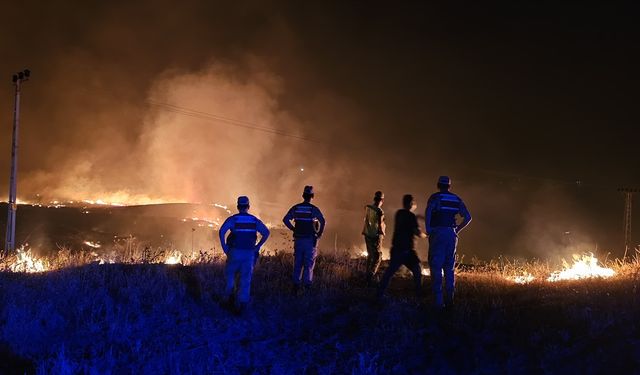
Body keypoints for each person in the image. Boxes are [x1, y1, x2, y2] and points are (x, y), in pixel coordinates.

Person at [425, 176, 472, 309]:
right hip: (451, 234)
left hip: (438, 233)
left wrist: (429, 228)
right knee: (449, 268)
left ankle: (439, 303)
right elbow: (468, 217)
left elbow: (429, 211)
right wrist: (457, 230)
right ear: (449, 186)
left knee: (436, 266)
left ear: (438, 185)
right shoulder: (456, 199)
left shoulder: (435, 197)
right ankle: (450, 300)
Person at [219, 196, 270, 313]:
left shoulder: (233, 219)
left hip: (234, 252)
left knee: (231, 275)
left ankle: (229, 299)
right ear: (248, 206)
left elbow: (222, 231)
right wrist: (257, 247)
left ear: (238, 207)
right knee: (246, 279)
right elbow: (266, 233)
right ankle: (242, 306)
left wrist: (225, 248)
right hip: (249, 253)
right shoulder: (254, 220)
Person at [378, 194, 426, 298]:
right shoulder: (411, 216)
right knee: (417, 271)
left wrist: (416, 217)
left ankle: (379, 294)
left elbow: (408, 221)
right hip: (407, 251)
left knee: (389, 273)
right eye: (413, 202)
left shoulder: (399, 213)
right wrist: (426, 235)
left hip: (396, 249)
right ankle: (419, 296)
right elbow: (417, 232)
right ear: (410, 204)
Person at [282, 185, 326, 293]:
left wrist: (293, 229)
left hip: (298, 240)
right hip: (310, 241)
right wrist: (319, 234)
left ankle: (295, 287)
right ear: (312, 196)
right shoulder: (314, 209)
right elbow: (323, 221)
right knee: (309, 264)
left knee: (297, 263)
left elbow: (285, 219)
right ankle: (307, 287)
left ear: (303, 195)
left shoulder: (296, 208)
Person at [362, 191, 386, 285]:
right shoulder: (380, 211)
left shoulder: (368, 207)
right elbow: (380, 224)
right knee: (377, 256)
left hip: (367, 234)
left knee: (370, 255)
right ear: (382, 200)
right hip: (375, 235)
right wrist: (382, 233)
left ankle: (366, 275)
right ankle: (370, 276)